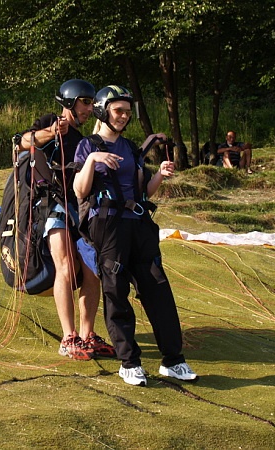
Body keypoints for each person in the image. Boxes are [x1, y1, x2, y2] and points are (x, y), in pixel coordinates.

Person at [73, 85, 198, 386]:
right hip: (108, 226)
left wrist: (160, 175)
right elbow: (79, 190)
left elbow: (143, 192)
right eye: (118, 111)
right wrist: (93, 160)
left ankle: (173, 360)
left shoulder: (130, 148)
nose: (124, 116)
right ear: (103, 111)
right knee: (116, 291)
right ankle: (129, 362)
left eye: (128, 112)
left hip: (139, 225)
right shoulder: (88, 146)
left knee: (158, 288)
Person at [16, 79, 115, 360]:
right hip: (53, 206)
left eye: (91, 104)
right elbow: (21, 143)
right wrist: (49, 132)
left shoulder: (84, 139)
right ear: (70, 101)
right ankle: (68, 337)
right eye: (85, 103)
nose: (89, 109)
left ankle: (87, 334)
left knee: (92, 270)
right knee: (66, 266)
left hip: (79, 209)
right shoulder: (51, 122)